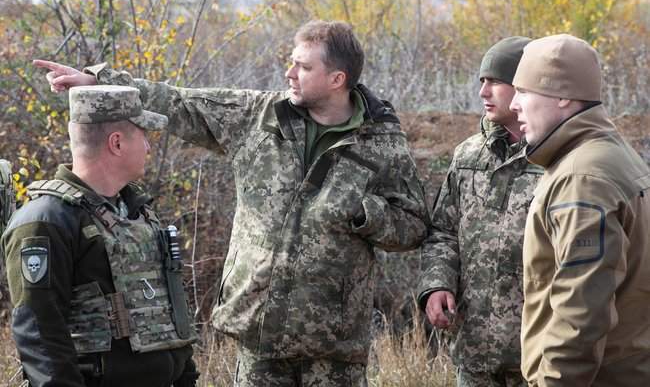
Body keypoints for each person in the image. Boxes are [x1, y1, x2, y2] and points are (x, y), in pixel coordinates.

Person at [33, 20, 427, 387]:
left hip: (334, 343)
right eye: (291, 62)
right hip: (258, 332)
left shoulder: (381, 141)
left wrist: (364, 213)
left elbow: (414, 224)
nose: (289, 73)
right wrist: (101, 82)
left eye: (303, 67)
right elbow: (179, 103)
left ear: (337, 78)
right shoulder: (258, 117)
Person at [1, 85, 199, 387]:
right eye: (143, 135)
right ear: (116, 143)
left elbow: (167, 312)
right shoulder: (46, 222)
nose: (148, 147)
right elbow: (41, 338)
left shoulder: (138, 211)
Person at [510, 34, 650, 386]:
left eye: (523, 91)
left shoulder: (582, 177)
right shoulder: (612, 155)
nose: (514, 104)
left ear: (563, 96)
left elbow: (581, 316)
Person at [417, 37, 543, 387]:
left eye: (495, 82)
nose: (484, 92)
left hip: (539, 358)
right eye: (481, 82)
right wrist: (437, 285)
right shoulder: (469, 157)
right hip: (474, 354)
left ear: (524, 87)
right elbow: (442, 231)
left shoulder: (558, 161)